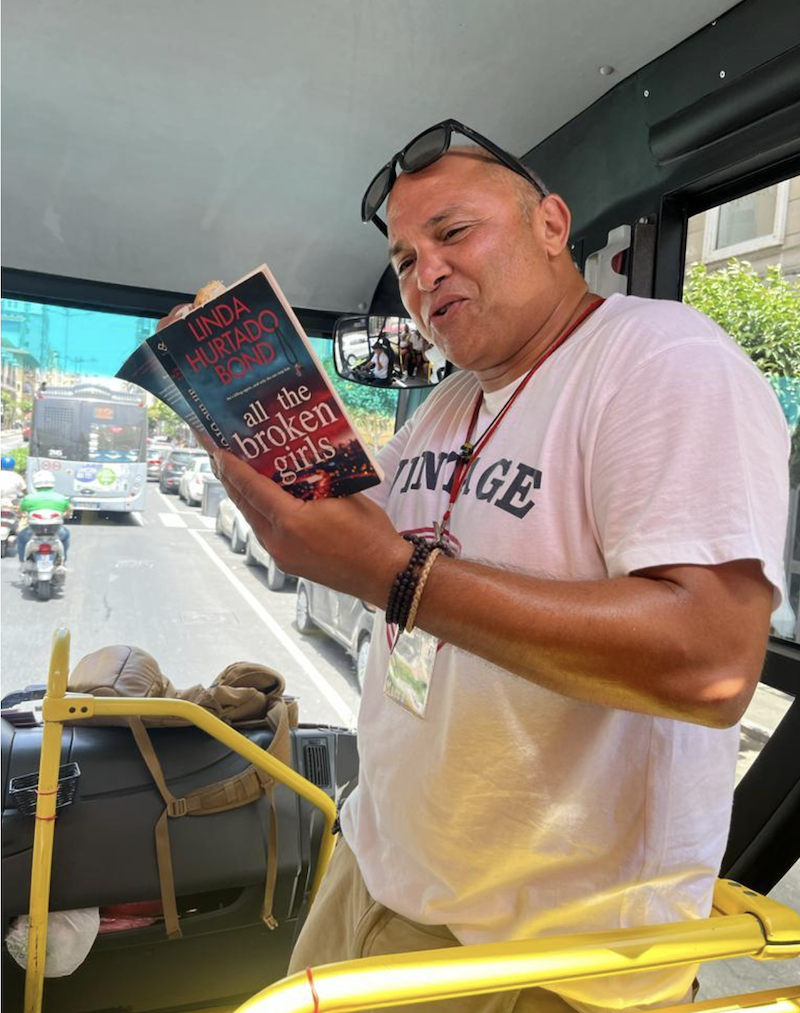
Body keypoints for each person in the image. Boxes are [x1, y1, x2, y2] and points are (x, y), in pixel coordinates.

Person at [163, 124, 789, 1012]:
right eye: (404, 260)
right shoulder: (451, 400)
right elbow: (352, 527)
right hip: (376, 869)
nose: (426, 273)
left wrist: (400, 577)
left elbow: (712, 662)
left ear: (552, 224)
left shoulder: (663, 358)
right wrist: (235, 415)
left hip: (540, 958)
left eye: (453, 233)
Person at [17, 470, 72, 565]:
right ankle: (63, 560)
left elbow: (20, 510)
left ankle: (23, 561)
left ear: (36, 484)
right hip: (57, 532)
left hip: (32, 532)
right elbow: (69, 509)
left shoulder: (29, 498)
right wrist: (66, 515)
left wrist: (21, 514)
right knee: (66, 535)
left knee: (21, 537)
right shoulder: (61, 498)